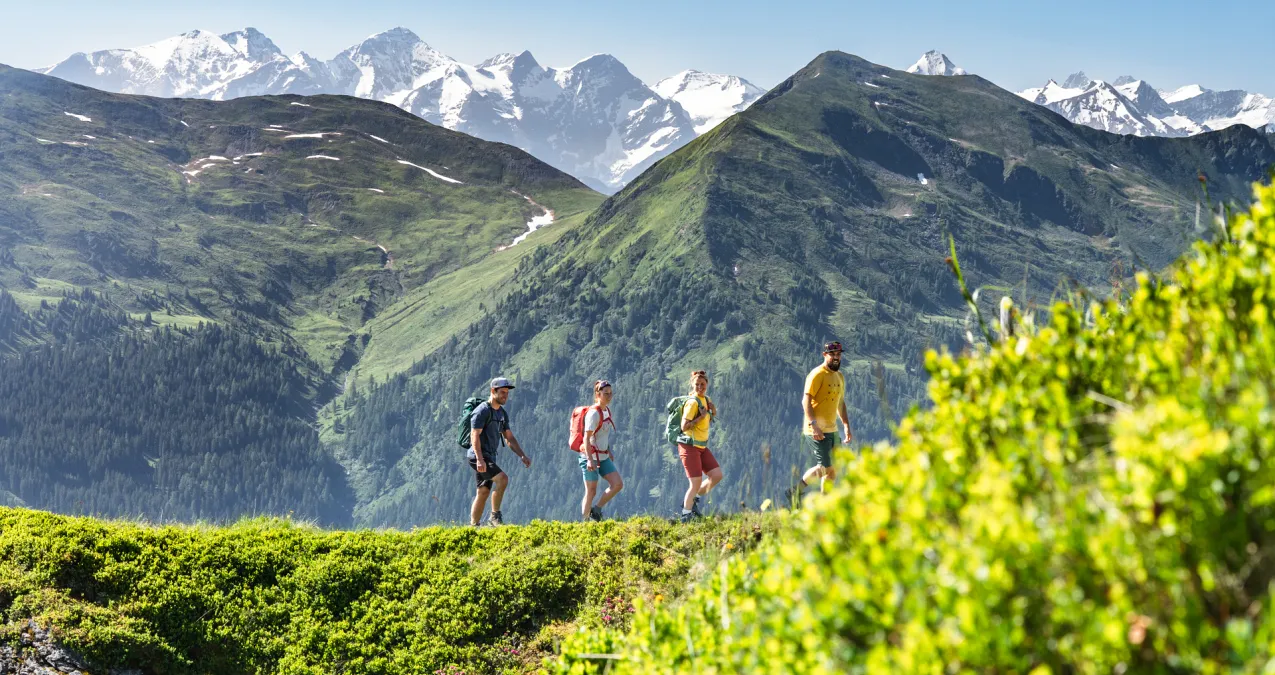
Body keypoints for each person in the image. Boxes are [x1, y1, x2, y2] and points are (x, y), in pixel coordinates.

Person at [789, 341, 852, 506]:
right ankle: (799, 492)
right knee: (826, 468)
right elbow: (805, 401)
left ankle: (823, 503)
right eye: (832, 355)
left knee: (833, 469)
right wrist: (814, 425)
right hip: (816, 429)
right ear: (825, 355)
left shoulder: (840, 376)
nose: (836, 358)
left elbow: (840, 403)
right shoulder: (817, 374)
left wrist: (846, 425)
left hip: (832, 428)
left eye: (838, 354)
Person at [468, 377, 531, 526]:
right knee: (503, 479)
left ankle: (473, 527)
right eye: (502, 392)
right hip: (478, 455)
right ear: (493, 391)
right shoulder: (482, 411)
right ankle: (494, 516)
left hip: (489, 456)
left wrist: (522, 455)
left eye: (507, 393)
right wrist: (480, 459)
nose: (505, 395)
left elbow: (509, 437)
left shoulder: (502, 414)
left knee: (483, 491)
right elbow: (474, 435)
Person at [677, 370, 724, 522]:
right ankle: (686, 514)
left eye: (702, 384)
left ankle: (693, 500)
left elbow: (712, 416)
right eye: (697, 384)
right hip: (689, 446)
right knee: (695, 482)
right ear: (692, 384)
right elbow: (684, 426)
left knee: (716, 475)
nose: (700, 387)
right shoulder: (692, 402)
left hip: (701, 446)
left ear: (707, 385)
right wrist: (700, 418)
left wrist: (713, 409)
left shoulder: (706, 399)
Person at [580, 380, 623, 521]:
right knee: (591, 491)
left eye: (611, 393)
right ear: (597, 394)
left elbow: (603, 434)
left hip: (603, 456)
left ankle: (596, 510)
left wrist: (608, 450)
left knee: (617, 484)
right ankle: (585, 522)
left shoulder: (606, 411)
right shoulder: (593, 414)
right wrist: (590, 460)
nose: (609, 396)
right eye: (606, 394)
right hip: (590, 457)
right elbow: (586, 438)